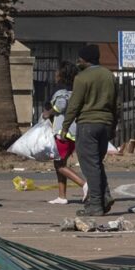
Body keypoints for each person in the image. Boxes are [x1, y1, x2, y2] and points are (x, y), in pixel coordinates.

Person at [62, 45, 119, 217]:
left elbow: (74, 105)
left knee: (90, 165)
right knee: (96, 163)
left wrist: (65, 127)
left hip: (88, 124)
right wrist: (114, 126)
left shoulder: (81, 78)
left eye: (79, 58)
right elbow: (116, 103)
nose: (77, 61)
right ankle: (104, 197)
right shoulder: (109, 75)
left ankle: (95, 205)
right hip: (106, 123)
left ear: (85, 59)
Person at [42, 61, 87, 205]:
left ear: (61, 74)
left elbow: (61, 105)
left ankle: (85, 185)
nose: (55, 74)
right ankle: (62, 196)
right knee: (61, 163)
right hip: (74, 132)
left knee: (59, 164)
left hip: (63, 132)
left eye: (57, 72)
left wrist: (48, 113)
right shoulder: (75, 89)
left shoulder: (61, 90)